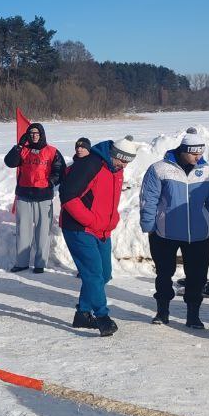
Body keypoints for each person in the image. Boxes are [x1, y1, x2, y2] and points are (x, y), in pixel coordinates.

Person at [139, 128, 209, 330]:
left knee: (197, 276)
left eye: (201, 153)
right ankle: (162, 311)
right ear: (183, 150)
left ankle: (193, 315)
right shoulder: (159, 169)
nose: (198, 157)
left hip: (199, 234)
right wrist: (149, 225)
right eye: (194, 153)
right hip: (165, 233)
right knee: (164, 273)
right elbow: (148, 199)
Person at [60, 137, 138, 336]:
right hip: (79, 228)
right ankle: (102, 317)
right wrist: (91, 220)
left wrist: (112, 219)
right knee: (93, 273)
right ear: (114, 154)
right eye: (123, 160)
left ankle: (83, 314)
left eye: (128, 162)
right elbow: (67, 195)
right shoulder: (90, 164)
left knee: (104, 274)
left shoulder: (116, 170)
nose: (124, 165)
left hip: (102, 230)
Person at [4, 123, 66, 274]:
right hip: (24, 195)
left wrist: (50, 182)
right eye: (31, 133)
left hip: (43, 196)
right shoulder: (23, 150)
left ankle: (40, 263)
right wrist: (19, 146)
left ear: (42, 134)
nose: (34, 135)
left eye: (37, 133)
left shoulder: (52, 151)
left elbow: (60, 170)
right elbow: (9, 162)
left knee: (43, 231)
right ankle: (21, 262)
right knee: (23, 230)